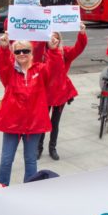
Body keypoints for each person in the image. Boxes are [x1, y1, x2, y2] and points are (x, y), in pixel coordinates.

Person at [0, 32, 63, 185]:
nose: (22, 53)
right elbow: (1, 64)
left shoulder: (41, 69)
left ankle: (29, 191)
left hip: (34, 124)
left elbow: (56, 70)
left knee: (31, 161)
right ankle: (0, 190)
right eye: (18, 51)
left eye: (26, 50)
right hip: (12, 124)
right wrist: (4, 49)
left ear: (32, 53)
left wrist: (53, 50)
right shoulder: (9, 72)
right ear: (14, 54)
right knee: (6, 160)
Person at [38, 23, 88, 161]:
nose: (54, 40)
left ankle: (52, 148)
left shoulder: (64, 52)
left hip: (60, 94)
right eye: (51, 38)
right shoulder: (41, 54)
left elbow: (79, 48)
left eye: (56, 38)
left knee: (55, 123)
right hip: (45, 94)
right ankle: (39, 147)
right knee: (43, 121)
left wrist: (82, 34)